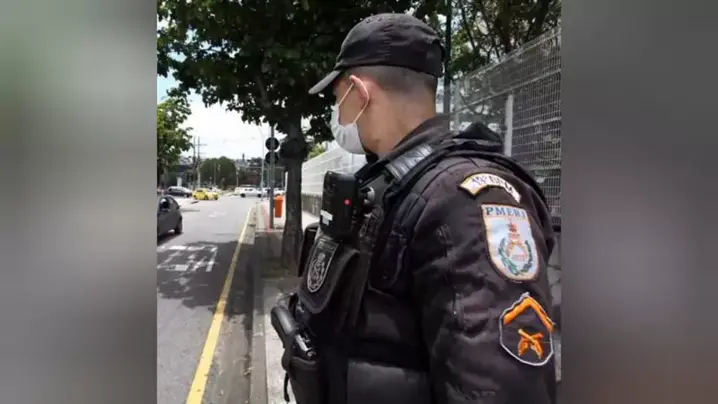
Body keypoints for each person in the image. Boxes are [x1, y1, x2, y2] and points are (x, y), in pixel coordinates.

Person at [283, 13, 557, 404]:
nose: (337, 115)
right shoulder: (393, 183)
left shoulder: (467, 202)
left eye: (337, 99)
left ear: (358, 93)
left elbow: (498, 389)